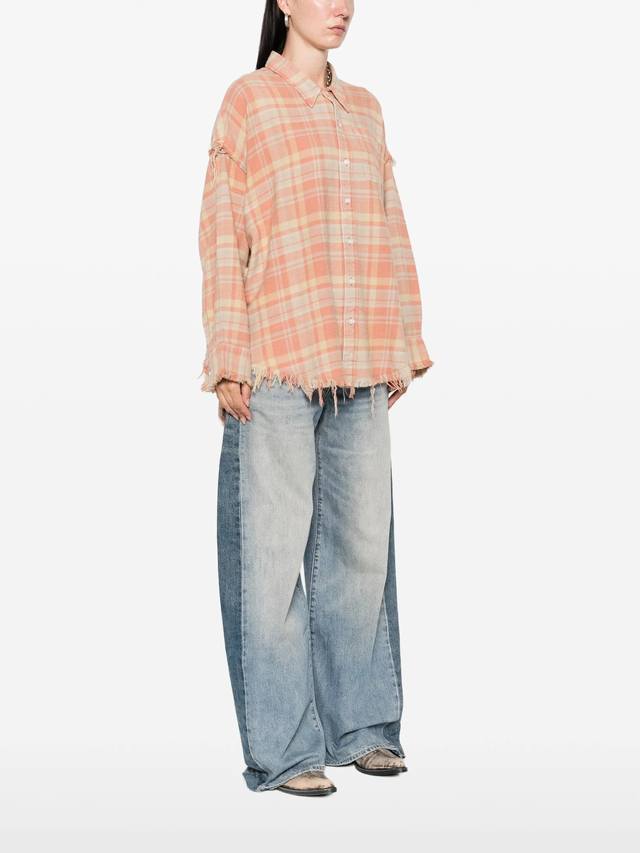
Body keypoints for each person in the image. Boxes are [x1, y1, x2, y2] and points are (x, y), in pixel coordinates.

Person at [198, 0, 433, 797]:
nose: (341, 6)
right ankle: (286, 749)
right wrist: (228, 356)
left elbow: (390, 226)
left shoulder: (365, 108)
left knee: (362, 557)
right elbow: (222, 233)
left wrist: (403, 340)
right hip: (275, 363)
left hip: (361, 358)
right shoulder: (249, 101)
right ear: (283, 3)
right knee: (269, 567)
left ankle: (362, 729)